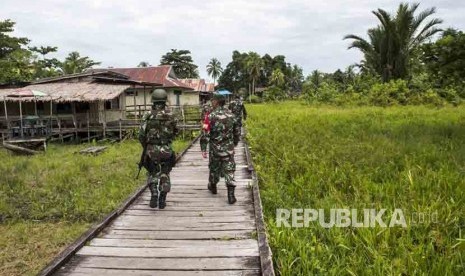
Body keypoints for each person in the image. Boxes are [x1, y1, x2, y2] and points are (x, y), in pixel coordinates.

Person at [138, 89, 178, 209]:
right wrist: (167, 141)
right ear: (165, 100)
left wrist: (146, 146)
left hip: (151, 149)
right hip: (166, 148)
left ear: (153, 101)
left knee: (152, 172)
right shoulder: (171, 114)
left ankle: (154, 193)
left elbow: (141, 134)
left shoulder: (148, 115)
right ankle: (162, 199)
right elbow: (176, 131)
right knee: (165, 173)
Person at [200, 93, 241, 204]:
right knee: (229, 170)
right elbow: (237, 132)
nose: (211, 102)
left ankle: (213, 186)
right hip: (228, 149)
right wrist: (235, 144)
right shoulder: (232, 115)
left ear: (217, 102)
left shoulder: (210, 116)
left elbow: (205, 133)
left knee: (214, 169)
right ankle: (231, 195)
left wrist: (203, 148)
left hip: (215, 149)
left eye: (213, 100)